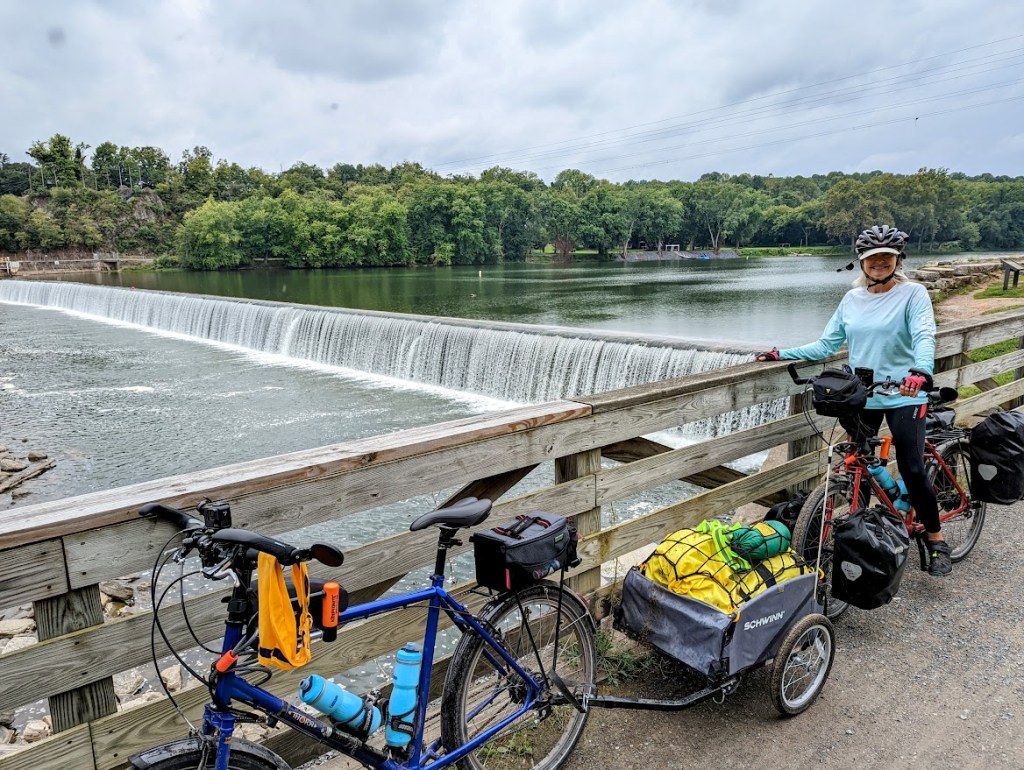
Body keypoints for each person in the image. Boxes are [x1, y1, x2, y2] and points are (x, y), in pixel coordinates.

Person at [755, 225, 950, 576]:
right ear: (861, 263)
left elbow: (924, 334)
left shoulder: (913, 294)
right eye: (871, 258)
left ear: (897, 260)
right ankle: (859, 537)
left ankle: (935, 540)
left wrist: (920, 370)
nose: (878, 263)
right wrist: (781, 352)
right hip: (865, 395)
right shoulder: (852, 299)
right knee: (857, 463)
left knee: (912, 466)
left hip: (906, 393)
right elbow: (826, 345)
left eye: (885, 257)